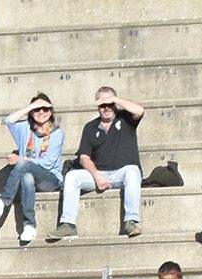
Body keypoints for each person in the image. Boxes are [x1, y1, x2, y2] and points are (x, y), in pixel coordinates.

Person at [50, 86, 144, 241]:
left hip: (122, 173)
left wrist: (114, 100)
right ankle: (68, 224)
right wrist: (96, 175)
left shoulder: (126, 118)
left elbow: (139, 110)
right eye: (102, 104)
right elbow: (84, 157)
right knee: (72, 176)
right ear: (97, 106)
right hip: (99, 174)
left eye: (109, 104)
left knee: (133, 171)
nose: (106, 108)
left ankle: (131, 221)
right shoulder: (90, 127)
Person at [0, 93, 63, 245]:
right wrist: (31, 106)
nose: (41, 112)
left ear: (51, 112)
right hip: (29, 176)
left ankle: (1, 202)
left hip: (50, 179)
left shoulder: (56, 133)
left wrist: (22, 160)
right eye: (37, 109)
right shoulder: (25, 128)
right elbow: (8, 120)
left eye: (45, 109)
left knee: (23, 164)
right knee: (27, 178)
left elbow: (49, 163)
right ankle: (29, 226)